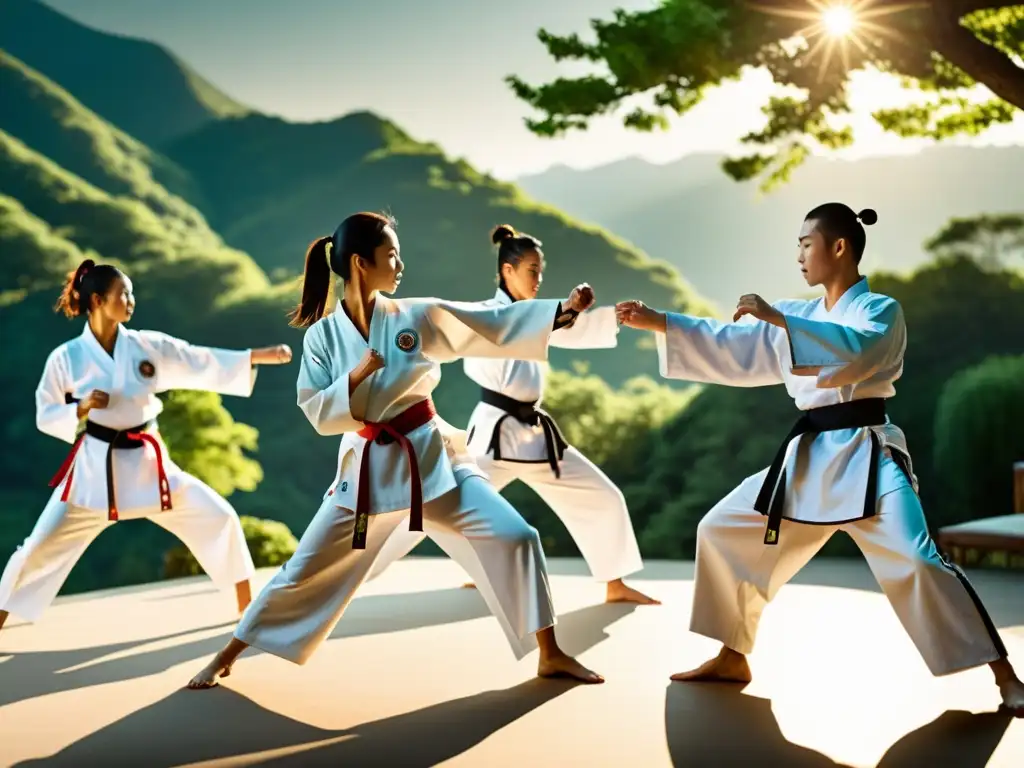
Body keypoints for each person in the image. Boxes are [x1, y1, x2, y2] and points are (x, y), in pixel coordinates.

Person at [615, 203, 1024, 715]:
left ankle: (1005, 676)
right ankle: (732, 653)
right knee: (721, 527)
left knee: (919, 561)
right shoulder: (801, 314)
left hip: (869, 456)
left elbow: (858, 352)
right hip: (807, 459)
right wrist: (661, 323)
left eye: (807, 243)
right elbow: (734, 344)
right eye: (798, 245)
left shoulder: (880, 311)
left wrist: (778, 318)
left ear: (839, 247)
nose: (800, 255)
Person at [187, 212, 605, 690]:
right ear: (361, 264)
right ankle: (228, 654)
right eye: (391, 255)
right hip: (367, 475)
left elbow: (486, 321)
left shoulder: (415, 316)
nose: (401, 263)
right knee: (302, 569)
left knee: (518, 535)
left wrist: (561, 312)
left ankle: (550, 653)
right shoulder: (322, 337)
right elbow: (316, 411)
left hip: (434, 460)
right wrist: (358, 376)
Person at [367, 224, 659, 606]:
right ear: (508, 270)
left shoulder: (535, 316)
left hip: (536, 435)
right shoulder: (485, 315)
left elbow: (560, 326)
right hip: (492, 435)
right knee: (428, 504)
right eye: (532, 270)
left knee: (602, 495)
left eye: (541, 270)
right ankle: (355, 569)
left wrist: (601, 316)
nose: (539, 278)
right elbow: (507, 325)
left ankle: (615, 583)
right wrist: (563, 309)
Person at [0, 259, 293, 632]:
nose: (131, 300)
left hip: (150, 466)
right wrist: (82, 406)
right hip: (94, 473)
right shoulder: (67, 358)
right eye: (123, 294)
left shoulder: (146, 346)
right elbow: (46, 411)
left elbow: (195, 358)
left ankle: (247, 610)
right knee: (37, 547)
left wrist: (255, 356)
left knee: (219, 517)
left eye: (131, 293)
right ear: (97, 300)